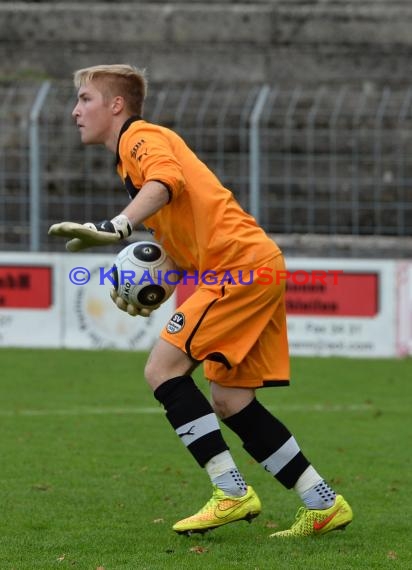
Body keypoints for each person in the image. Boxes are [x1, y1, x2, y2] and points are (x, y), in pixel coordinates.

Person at [49, 64, 353, 537]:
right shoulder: (130, 161)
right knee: (231, 400)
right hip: (251, 264)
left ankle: (230, 493)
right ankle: (322, 502)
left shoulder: (141, 138)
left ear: (116, 106)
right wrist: (153, 287)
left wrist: (117, 226)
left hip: (238, 268)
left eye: (85, 99)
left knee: (161, 370)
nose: (75, 111)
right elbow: (179, 242)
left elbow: (166, 181)